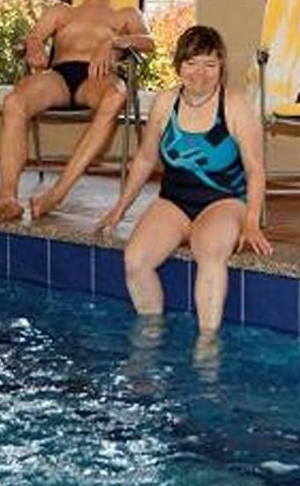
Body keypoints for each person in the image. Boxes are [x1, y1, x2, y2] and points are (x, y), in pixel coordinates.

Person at [94, 25, 273, 334]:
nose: (200, 73)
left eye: (209, 65)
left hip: (224, 202)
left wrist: (251, 222)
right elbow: (145, 159)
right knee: (136, 261)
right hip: (174, 202)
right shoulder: (165, 103)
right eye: (191, 63)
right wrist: (119, 209)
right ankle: (152, 335)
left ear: (221, 67)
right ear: (179, 65)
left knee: (210, 253)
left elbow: (255, 169)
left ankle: (207, 345)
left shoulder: (235, 106)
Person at [0, 0, 154, 225]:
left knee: (116, 95)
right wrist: (33, 45)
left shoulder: (127, 14)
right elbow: (32, 37)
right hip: (59, 76)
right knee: (13, 101)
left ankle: (56, 194)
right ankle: (7, 197)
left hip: (97, 79)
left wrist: (114, 41)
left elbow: (149, 43)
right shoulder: (62, 11)